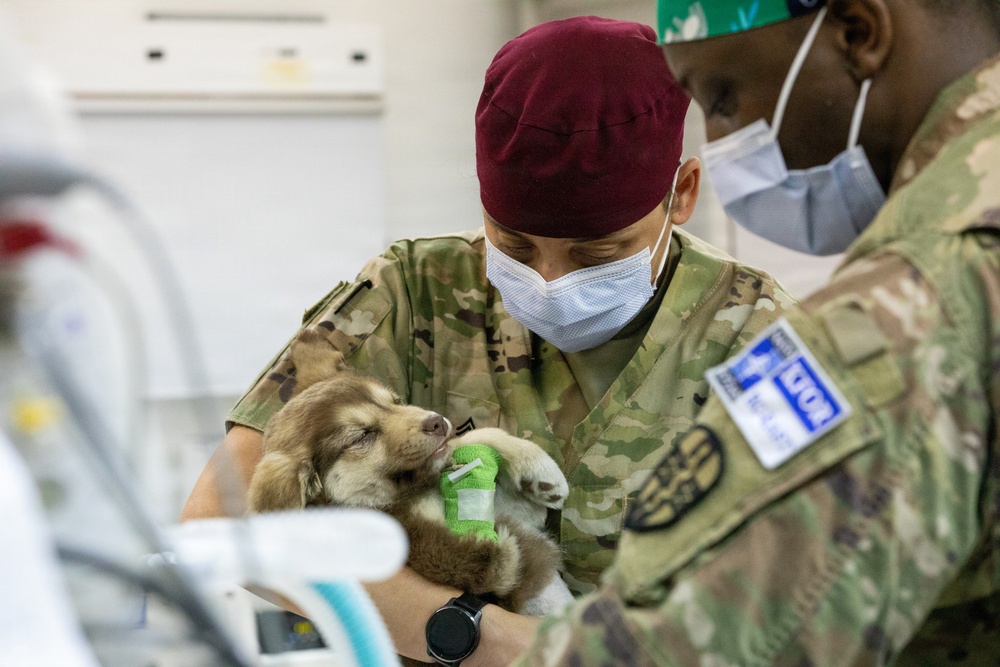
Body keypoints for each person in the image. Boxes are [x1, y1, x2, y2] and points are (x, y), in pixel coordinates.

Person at [181, 16, 794, 666]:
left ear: (683, 194)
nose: (549, 281)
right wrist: (474, 634)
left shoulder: (753, 331)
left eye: (597, 253)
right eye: (516, 245)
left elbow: (807, 578)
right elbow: (221, 519)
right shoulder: (414, 292)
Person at [513, 1, 1000, 664]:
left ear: (860, 32)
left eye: (723, 96)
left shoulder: (913, 306)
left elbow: (663, 647)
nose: (717, 145)